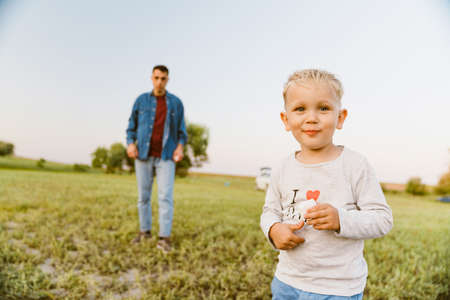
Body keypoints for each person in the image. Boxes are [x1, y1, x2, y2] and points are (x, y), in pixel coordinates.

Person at [260, 69, 393, 299]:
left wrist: (342, 219)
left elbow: (382, 219)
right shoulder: (283, 168)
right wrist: (273, 229)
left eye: (323, 108)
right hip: (287, 281)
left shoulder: (355, 164)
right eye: (300, 109)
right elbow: (270, 211)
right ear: (286, 119)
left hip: (337, 289)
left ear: (340, 117)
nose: (311, 118)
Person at [126, 65, 187, 253]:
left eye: (163, 78)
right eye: (156, 78)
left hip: (165, 157)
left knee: (165, 197)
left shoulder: (176, 103)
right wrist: (130, 143)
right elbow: (131, 127)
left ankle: (164, 238)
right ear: (151, 78)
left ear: (167, 80)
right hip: (143, 156)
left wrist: (180, 147)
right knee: (143, 197)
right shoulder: (141, 101)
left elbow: (181, 132)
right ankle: (145, 232)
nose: (159, 81)